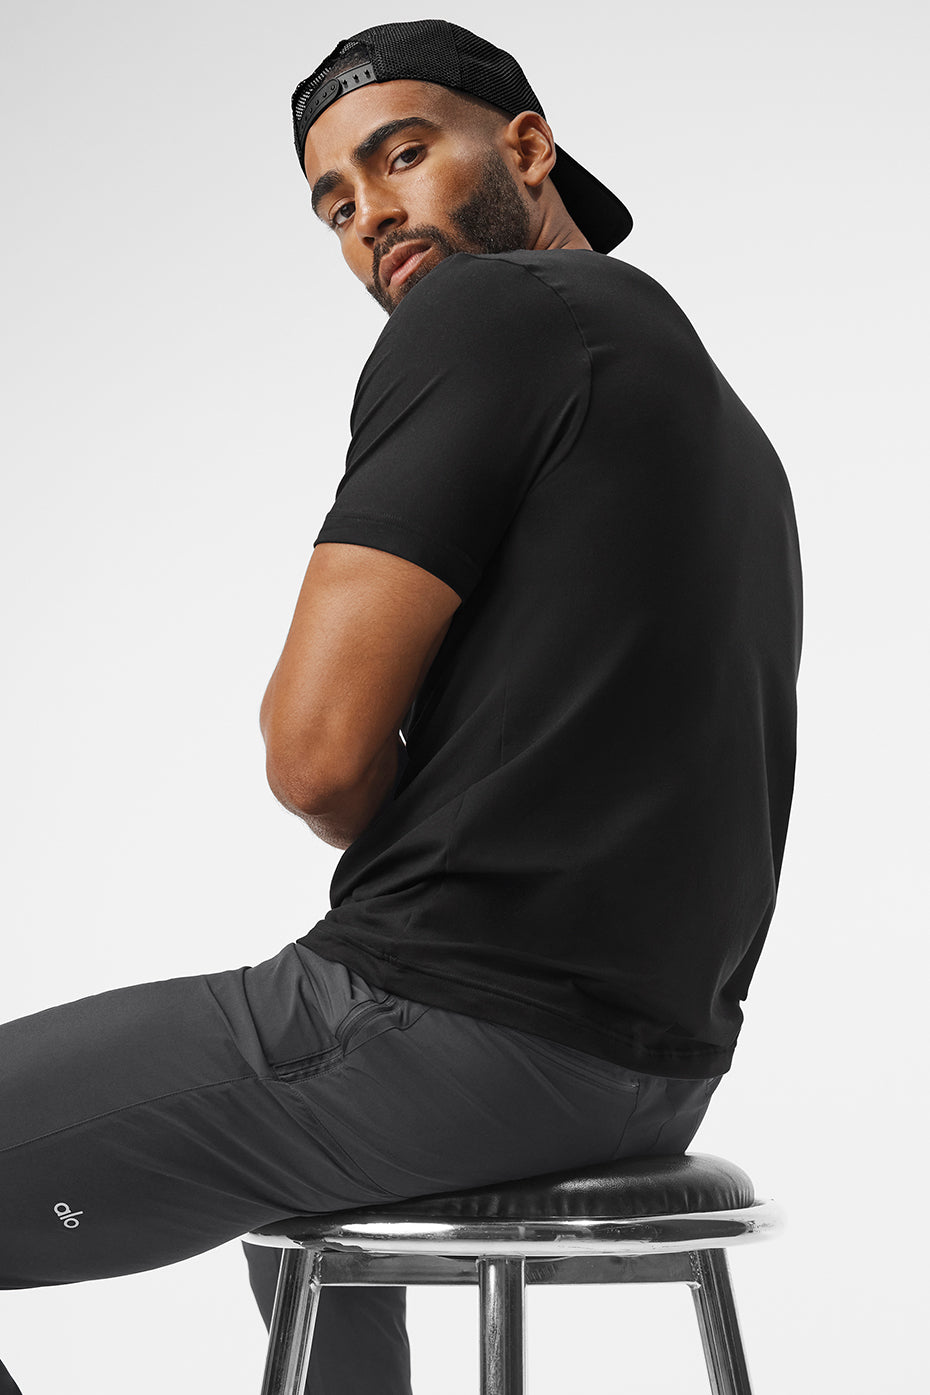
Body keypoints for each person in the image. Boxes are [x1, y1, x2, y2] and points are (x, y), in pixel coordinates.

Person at [0, 18, 802, 1395]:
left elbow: (313, 758)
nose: (370, 213)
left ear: (527, 148)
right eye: (334, 202)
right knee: (287, 1203)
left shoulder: (489, 313)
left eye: (404, 155)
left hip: (449, 1031)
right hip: (652, 1069)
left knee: (291, 1065)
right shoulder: (715, 416)